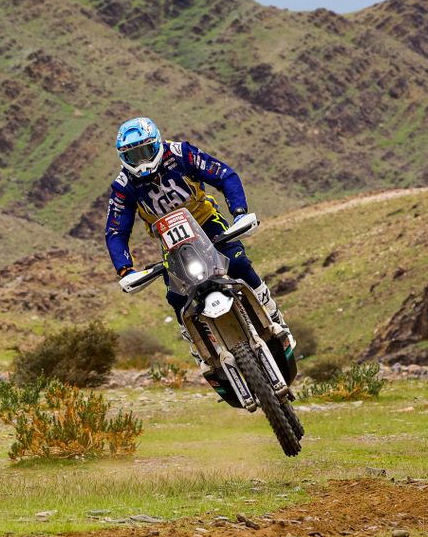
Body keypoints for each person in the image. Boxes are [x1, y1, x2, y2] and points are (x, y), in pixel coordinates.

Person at [104, 116, 291, 368]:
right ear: (122, 158)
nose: (141, 161)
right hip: (172, 243)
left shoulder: (182, 154)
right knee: (177, 298)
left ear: (157, 144)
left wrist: (239, 213)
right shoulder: (122, 186)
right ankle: (199, 347)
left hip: (206, 223)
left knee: (238, 264)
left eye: (145, 151)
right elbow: (116, 230)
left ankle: (272, 313)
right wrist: (125, 269)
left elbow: (225, 175)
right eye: (132, 156)